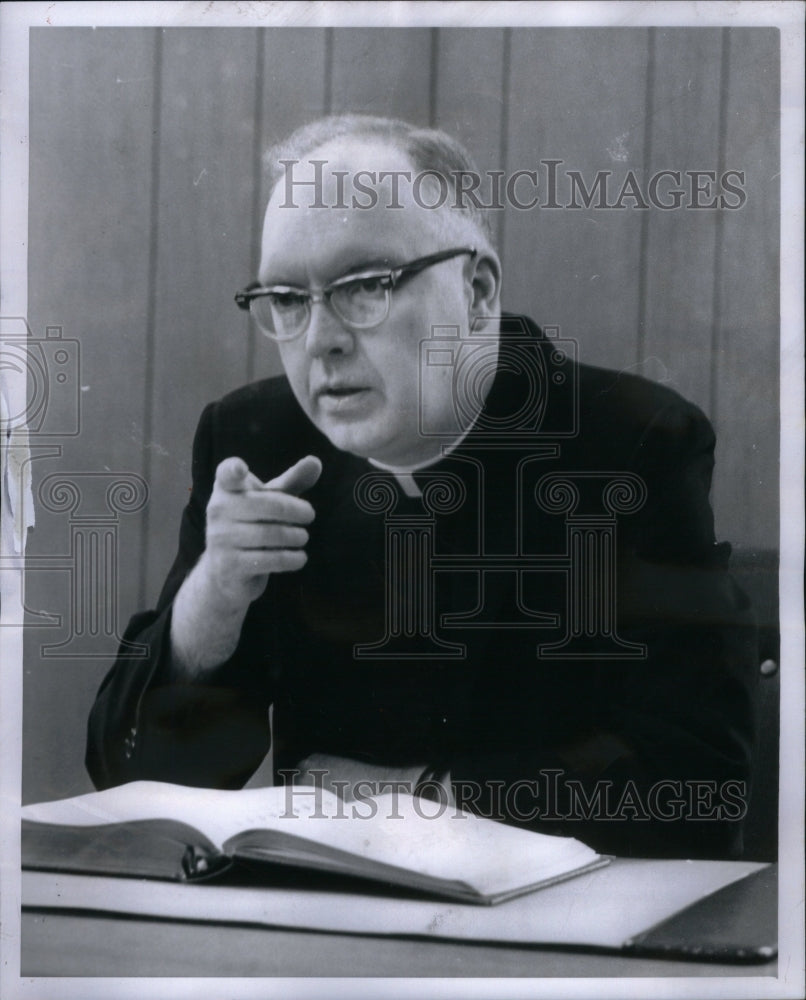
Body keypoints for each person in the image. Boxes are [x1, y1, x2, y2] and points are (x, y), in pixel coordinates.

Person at [86, 116, 757, 858]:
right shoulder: (256, 439)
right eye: (287, 298)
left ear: (476, 293)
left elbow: (698, 785)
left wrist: (412, 795)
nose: (321, 340)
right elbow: (140, 780)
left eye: (365, 286)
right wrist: (211, 602)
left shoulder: (631, 444)